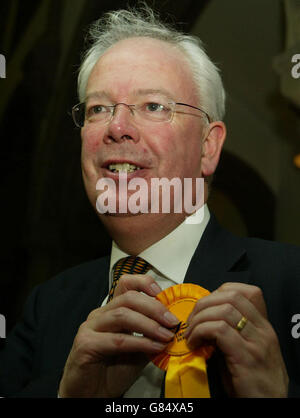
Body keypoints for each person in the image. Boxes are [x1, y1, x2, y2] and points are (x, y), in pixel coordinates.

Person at [0, 5, 300, 398]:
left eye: (153, 106)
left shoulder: (290, 283)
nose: (117, 128)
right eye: (98, 109)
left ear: (208, 147)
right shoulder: (46, 305)